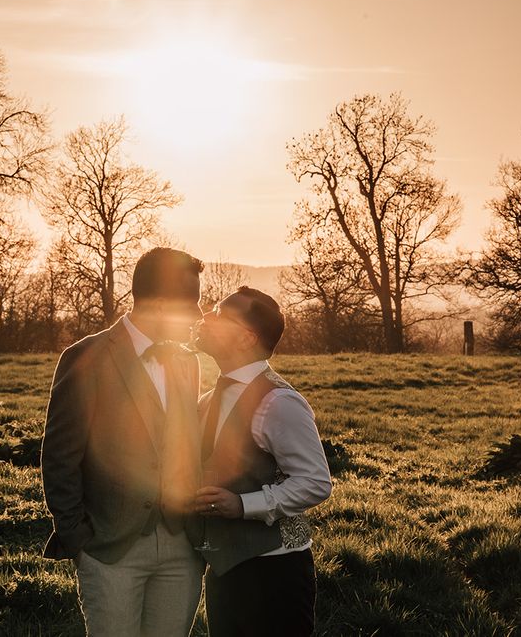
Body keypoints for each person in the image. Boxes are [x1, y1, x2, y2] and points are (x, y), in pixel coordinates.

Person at [41, 247, 206, 637]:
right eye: (192, 304)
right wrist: (79, 540)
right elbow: (60, 456)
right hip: (109, 548)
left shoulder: (188, 362)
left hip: (182, 547)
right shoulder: (85, 357)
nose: (198, 316)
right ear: (162, 304)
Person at [192, 287, 332, 637]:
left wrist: (244, 505)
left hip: (275, 573)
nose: (206, 317)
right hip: (223, 571)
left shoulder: (280, 402)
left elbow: (315, 481)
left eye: (221, 314)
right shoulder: (208, 398)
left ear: (246, 338)